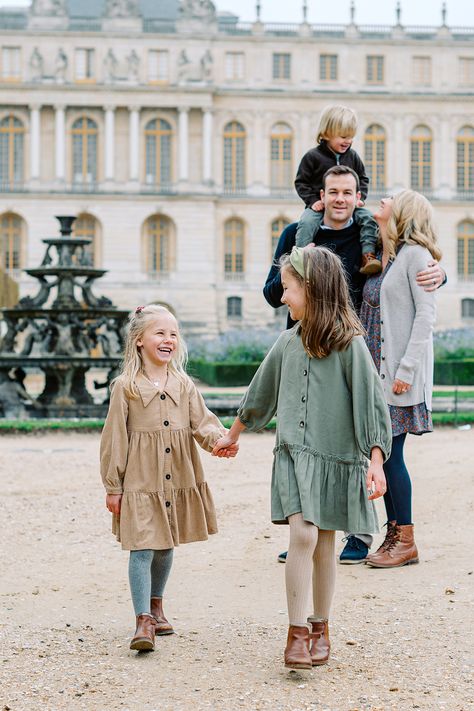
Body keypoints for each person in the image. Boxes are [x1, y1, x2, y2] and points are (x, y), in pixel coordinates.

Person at [213, 246, 392, 670]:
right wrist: (232, 435)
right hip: (293, 455)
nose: (282, 297)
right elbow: (260, 393)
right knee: (303, 536)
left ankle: (320, 626)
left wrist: (376, 460)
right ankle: (296, 632)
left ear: (311, 289)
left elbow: (371, 405)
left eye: (288, 288)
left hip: (334, 458)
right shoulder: (286, 342)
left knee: (325, 543)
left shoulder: (351, 345)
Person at [264, 165, 446, 564]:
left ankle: (386, 538)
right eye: (334, 191)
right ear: (322, 195)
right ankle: (314, 531)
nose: (342, 198)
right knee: (335, 446)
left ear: (356, 198)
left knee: (383, 452)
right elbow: (271, 291)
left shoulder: (388, 247)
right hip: (337, 357)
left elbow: (422, 305)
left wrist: (441, 271)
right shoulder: (307, 236)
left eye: (350, 191)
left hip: (378, 367)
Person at [100, 304, 237, 652]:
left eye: (173, 334)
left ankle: (158, 605)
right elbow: (114, 437)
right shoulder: (125, 387)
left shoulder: (183, 383)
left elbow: (202, 421)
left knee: (165, 545)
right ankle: (142, 619)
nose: (168, 339)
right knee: (142, 546)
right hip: (140, 480)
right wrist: (113, 485)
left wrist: (219, 441)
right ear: (139, 341)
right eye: (160, 333)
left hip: (175, 476)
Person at [361, 191, 439, 568]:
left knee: (391, 455)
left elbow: (426, 319)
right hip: (378, 371)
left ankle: (404, 538)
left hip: (398, 376)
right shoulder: (385, 254)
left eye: (390, 197)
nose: (382, 199)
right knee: (383, 453)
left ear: (403, 212)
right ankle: (394, 533)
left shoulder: (415, 256)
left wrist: (406, 371)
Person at [295, 105, 380, 275]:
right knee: (306, 223)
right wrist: (313, 201)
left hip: (350, 206)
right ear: (326, 133)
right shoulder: (312, 157)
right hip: (319, 206)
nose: (347, 141)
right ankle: (300, 259)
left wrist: (360, 197)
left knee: (368, 219)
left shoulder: (353, 156)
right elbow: (301, 182)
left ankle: (368, 256)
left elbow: (363, 178)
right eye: (343, 136)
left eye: (351, 137)